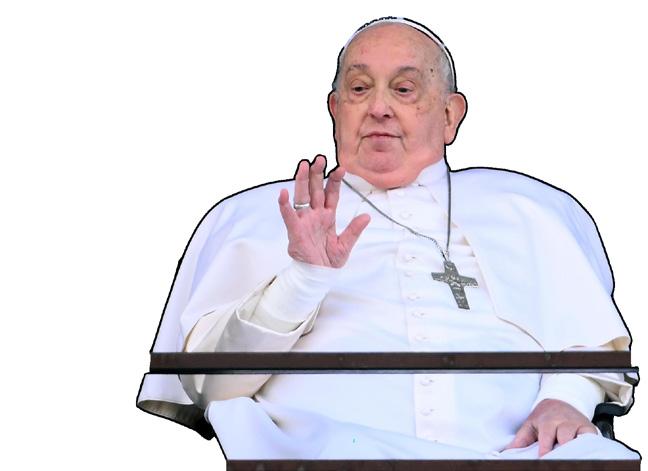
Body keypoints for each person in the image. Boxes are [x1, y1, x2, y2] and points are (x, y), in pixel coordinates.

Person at [137, 17, 639, 460]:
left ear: (450, 115)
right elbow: (212, 386)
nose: (378, 107)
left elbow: (589, 344)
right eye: (359, 89)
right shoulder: (257, 214)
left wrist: (567, 399)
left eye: (404, 89)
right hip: (324, 458)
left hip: (521, 459)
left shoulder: (526, 208)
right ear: (335, 109)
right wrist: (302, 280)